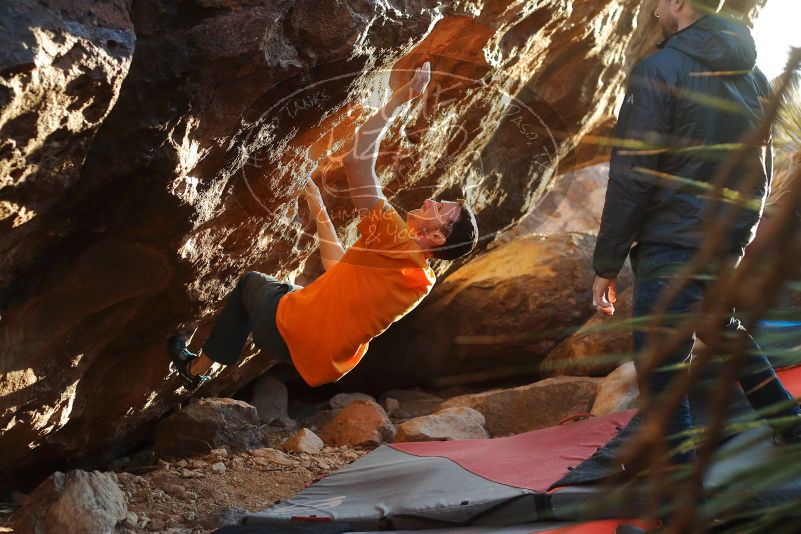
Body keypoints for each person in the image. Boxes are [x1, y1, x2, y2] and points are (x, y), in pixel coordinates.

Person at [169, 62, 479, 388]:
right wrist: (318, 206)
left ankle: (196, 370)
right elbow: (338, 270)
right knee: (293, 292)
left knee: (251, 284)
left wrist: (399, 99)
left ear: (435, 237)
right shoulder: (420, 279)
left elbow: (357, 160)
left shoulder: (395, 239)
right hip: (320, 362)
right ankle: (228, 350)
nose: (431, 201)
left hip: (290, 332)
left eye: (439, 209)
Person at [591, 0, 801, 464]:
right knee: (719, 326)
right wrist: (739, 239)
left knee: (662, 368)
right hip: (721, 241)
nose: (651, 8)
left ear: (679, 3)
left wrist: (606, 263)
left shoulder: (660, 68)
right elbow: (760, 167)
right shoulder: (753, 76)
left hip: (672, 244)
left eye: (657, 1)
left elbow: (634, 173)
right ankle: (789, 425)